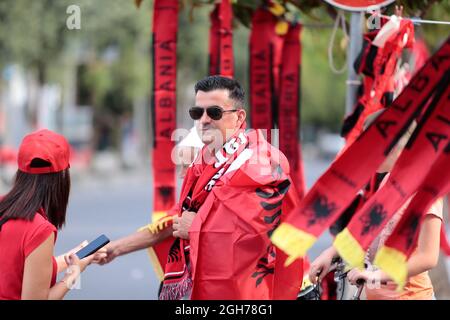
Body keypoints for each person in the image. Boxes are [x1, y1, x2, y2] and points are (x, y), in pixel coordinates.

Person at [99, 75, 303, 300]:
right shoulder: (204, 160)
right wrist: (116, 249)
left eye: (214, 112)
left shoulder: (261, 161)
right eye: (197, 113)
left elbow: (256, 235)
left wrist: (197, 228)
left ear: (239, 117)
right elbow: (176, 221)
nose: (204, 120)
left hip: (249, 293)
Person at [309, 110, 443, 300]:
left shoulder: (425, 188)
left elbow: (428, 257)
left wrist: (377, 275)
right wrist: (330, 253)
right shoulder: (388, 180)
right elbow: (364, 228)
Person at [0, 129, 106, 300]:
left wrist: (75, 256)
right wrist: (74, 272)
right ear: (62, 178)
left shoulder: (4, 208)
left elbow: (23, 269)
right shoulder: (39, 229)